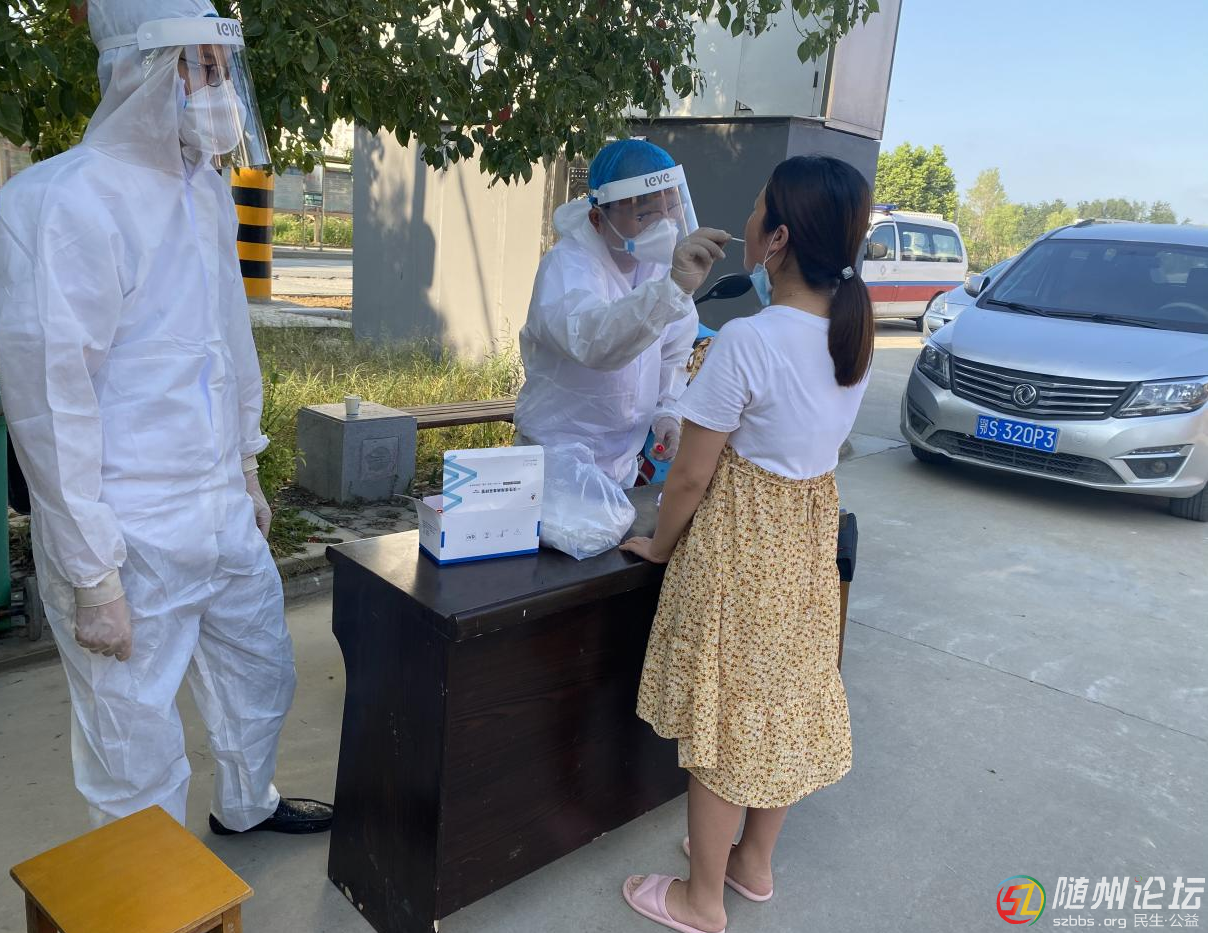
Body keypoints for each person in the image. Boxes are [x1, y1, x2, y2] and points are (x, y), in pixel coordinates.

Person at [0, 0, 332, 835]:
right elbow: (50, 402)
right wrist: (92, 576)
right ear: (139, 70)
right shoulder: (61, 201)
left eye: (223, 69)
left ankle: (246, 805)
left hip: (216, 506)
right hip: (128, 526)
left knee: (261, 672)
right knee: (133, 736)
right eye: (201, 67)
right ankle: (148, 887)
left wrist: (246, 468)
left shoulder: (205, 191)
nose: (218, 88)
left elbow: (227, 342)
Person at [618, 155, 876, 933]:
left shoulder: (748, 340)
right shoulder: (852, 335)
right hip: (805, 542)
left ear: (779, 239)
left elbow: (690, 478)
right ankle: (752, 862)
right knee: (781, 701)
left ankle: (701, 900)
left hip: (742, 545)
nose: (750, 221)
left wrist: (657, 546)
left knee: (724, 721)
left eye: (761, 209)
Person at [513, 139, 730, 486]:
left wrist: (667, 412)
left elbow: (674, 351)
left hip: (622, 467)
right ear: (598, 218)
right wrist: (672, 289)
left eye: (671, 207)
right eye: (645, 214)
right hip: (555, 468)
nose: (664, 223)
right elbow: (595, 342)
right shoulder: (568, 267)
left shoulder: (660, 267)